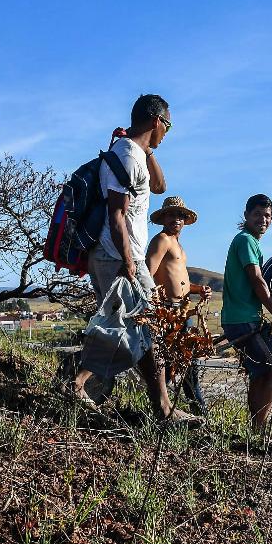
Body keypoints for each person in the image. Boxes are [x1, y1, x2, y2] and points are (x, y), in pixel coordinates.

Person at [71, 95, 198, 425]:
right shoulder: (126, 155)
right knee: (140, 327)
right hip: (118, 256)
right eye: (167, 126)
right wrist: (129, 262)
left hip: (119, 255)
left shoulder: (136, 153)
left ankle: (157, 407)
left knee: (134, 329)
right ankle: (159, 408)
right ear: (157, 121)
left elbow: (160, 186)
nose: (167, 133)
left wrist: (149, 148)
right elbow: (116, 214)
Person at [221, 194, 272, 432]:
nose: (263, 220)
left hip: (236, 319)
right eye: (257, 214)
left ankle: (253, 431)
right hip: (244, 320)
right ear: (246, 215)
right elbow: (257, 280)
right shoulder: (246, 241)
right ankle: (259, 431)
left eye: (267, 216)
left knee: (259, 374)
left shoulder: (247, 241)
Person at [146, 195, 212, 415]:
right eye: (172, 214)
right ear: (164, 218)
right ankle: (173, 409)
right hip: (167, 311)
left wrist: (198, 289)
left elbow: (179, 282)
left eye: (181, 215)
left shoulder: (179, 246)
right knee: (168, 363)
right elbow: (147, 274)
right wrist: (153, 307)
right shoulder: (162, 240)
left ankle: (193, 409)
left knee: (187, 362)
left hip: (183, 311)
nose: (177, 219)